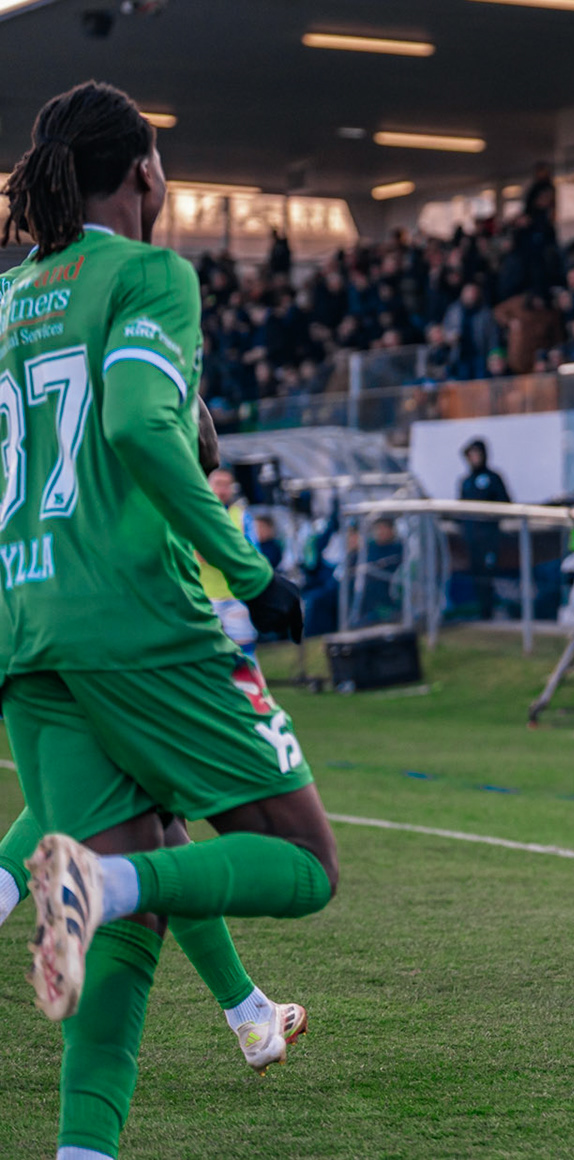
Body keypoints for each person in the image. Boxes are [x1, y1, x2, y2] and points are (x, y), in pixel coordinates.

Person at [0, 80, 335, 1159]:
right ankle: (101, 884)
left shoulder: (8, 301)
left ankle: (84, 1148)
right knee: (301, 859)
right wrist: (248, 569)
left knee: (130, 916)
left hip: (27, 625)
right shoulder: (148, 275)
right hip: (135, 617)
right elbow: (151, 430)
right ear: (145, 171)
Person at [198, 467, 264, 653]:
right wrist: (229, 554)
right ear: (208, 486)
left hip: (236, 596)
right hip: (205, 597)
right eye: (218, 484)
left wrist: (215, 552)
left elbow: (251, 555)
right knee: (208, 654)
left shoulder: (242, 516)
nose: (223, 490)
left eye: (227, 485)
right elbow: (196, 555)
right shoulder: (197, 515)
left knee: (245, 653)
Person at [459, 437, 511, 620]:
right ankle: (482, 612)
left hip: (489, 537)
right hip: (471, 538)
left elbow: (505, 503)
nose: (474, 458)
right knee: (476, 575)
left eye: (477, 454)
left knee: (489, 574)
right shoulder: (465, 481)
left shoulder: (493, 478)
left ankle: (490, 612)